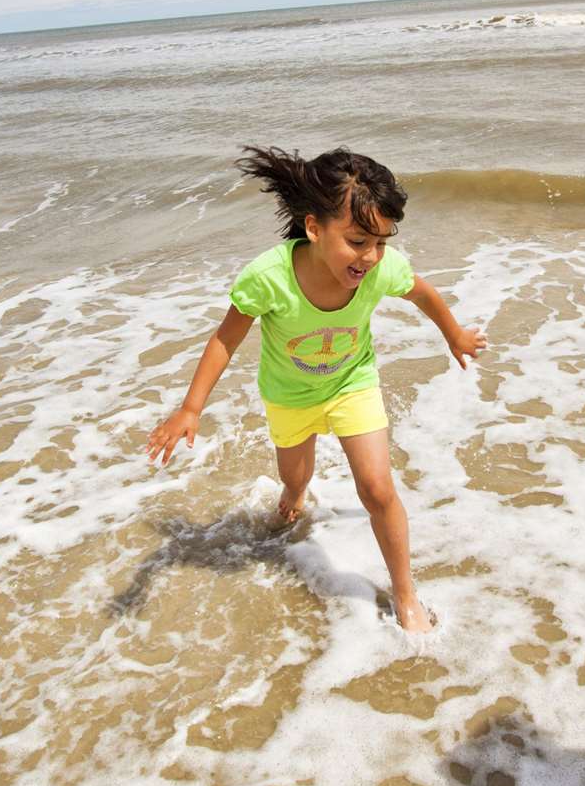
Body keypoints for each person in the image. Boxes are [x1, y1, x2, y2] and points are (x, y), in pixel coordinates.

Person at [145, 146, 487, 633]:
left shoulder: (381, 269)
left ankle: (406, 594)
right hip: (290, 395)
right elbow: (226, 337)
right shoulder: (270, 277)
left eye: (381, 243)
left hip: (353, 382)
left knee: (377, 489)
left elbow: (424, 293)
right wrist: (190, 408)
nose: (370, 257)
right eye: (357, 241)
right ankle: (295, 494)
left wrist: (453, 334)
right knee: (295, 476)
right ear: (313, 229)